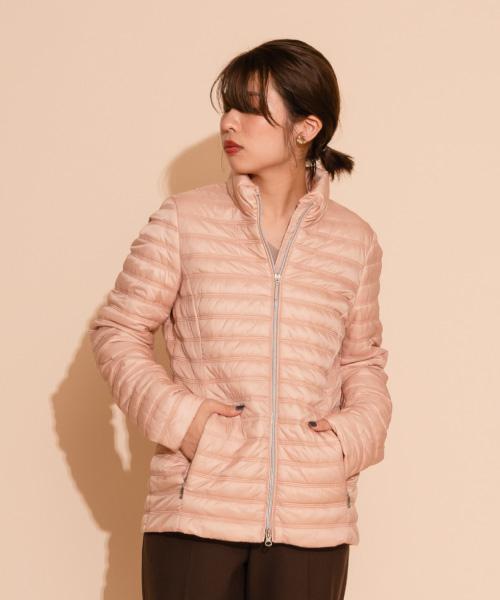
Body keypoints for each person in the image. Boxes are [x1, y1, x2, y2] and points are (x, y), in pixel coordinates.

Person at [89, 38, 392, 600]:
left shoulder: (354, 241)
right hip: (196, 512)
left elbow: (362, 360)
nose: (229, 122)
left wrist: (352, 439)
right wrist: (183, 421)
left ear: (305, 128)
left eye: (251, 108)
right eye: (228, 106)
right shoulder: (184, 221)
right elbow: (118, 331)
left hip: (312, 518)